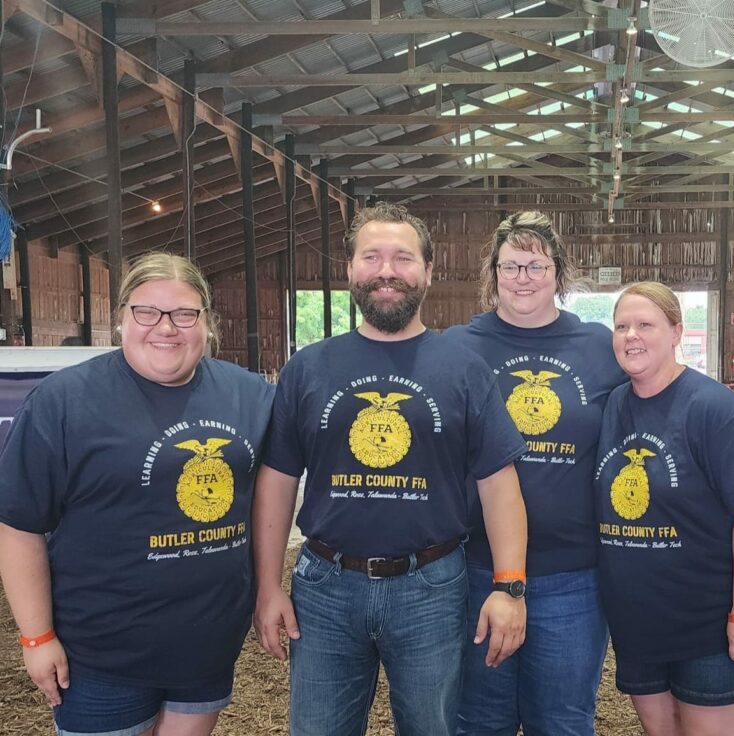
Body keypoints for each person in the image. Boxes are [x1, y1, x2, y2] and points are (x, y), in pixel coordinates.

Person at [253, 202, 529, 736]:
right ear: (350, 270)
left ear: (428, 271)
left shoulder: (464, 369)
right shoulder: (308, 367)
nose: (387, 271)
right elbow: (277, 482)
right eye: (372, 257)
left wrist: (509, 586)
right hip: (325, 587)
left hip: (431, 586)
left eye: (403, 258)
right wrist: (267, 587)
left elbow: (500, 485)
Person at [0, 252, 275, 736]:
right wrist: (36, 636)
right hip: (101, 656)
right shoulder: (65, 401)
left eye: (184, 313)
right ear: (121, 319)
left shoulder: (249, 395)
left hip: (206, 645)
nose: (165, 327)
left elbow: (274, 491)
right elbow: (19, 524)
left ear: (206, 322)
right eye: (146, 311)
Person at [447, 211, 627, 735]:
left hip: (572, 574)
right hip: (477, 568)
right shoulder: (459, 347)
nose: (522, 278)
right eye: (511, 266)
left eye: (535, 266)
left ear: (558, 273)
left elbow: (652, 404)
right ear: (493, 273)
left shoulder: (597, 347)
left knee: (564, 722)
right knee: (478, 720)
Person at [595, 282, 734, 736]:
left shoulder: (715, 409)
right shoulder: (615, 405)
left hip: (707, 623)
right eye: (621, 326)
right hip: (639, 622)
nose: (631, 335)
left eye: (645, 325)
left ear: (676, 332)